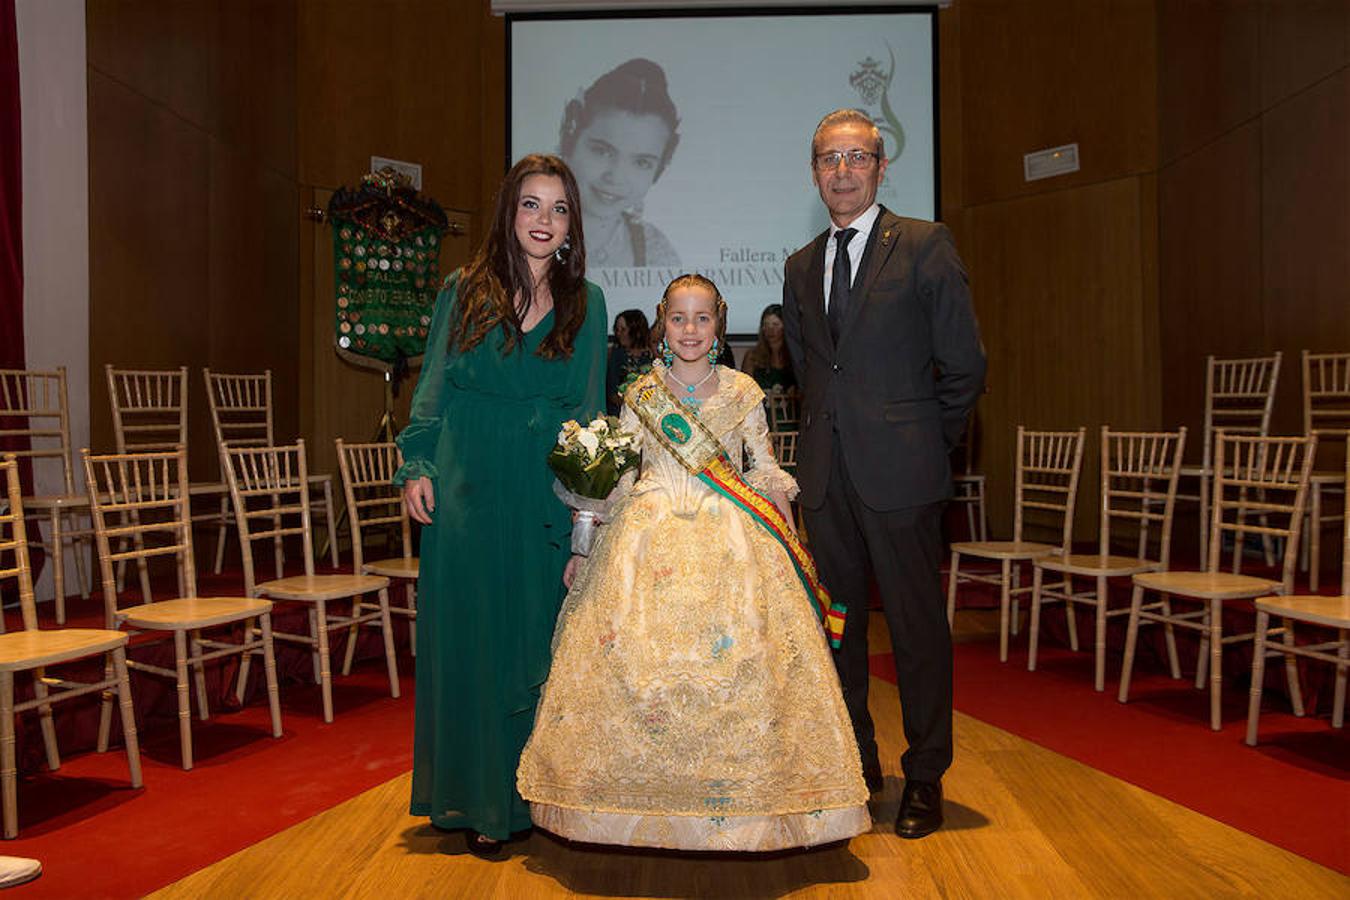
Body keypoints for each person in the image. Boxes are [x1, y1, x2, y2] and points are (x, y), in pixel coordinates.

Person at [517, 274, 869, 852]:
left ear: (719, 325)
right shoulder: (641, 393)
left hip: (732, 538)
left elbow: (762, 470)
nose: (689, 329)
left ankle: (747, 806)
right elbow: (618, 476)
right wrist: (584, 544)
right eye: (678, 318)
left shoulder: (742, 391)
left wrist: (793, 541)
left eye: (701, 318)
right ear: (663, 324)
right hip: (644, 535)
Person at [395, 154, 607, 859]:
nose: (544, 221)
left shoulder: (589, 301)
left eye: (559, 209)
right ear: (507, 213)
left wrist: (586, 523)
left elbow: (589, 415)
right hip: (464, 484)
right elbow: (432, 388)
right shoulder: (463, 289)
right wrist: (417, 462)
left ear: (573, 223)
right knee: (470, 641)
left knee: (529, 640)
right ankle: (466, 795)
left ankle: (521, 802)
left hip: (541, 492)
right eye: (530, 205)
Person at [782, 109, 986, 840]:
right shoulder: (800, 264)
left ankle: (925, 776)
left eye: (856, 157)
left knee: (917, 634)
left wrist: (926, 447)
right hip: (829, 483)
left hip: (904, 483)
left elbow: (965, 367)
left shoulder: (926, 246)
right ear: (814, 174)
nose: (842, 171)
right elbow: (813, 372)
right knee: (838, 631)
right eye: (828, 160)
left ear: (880, 166)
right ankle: (858, 765)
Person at [559, 58, 681, 267]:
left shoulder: (657, 253)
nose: (616, 176)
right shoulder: (525, 234)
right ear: (570, 139)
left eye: (641, 162)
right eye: (602, 151)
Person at [604, 308, 653, 415]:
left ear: (636, 331)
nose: (618, 333)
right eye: (616, 329)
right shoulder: (616, 354)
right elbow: (612, 392)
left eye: (623, 329)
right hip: (621, 414)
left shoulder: (651, 355)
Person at [741, 303, 797, 394]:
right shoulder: (752, 356)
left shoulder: (794, 356)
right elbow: (745, 391)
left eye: (775, 324)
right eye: (766, 324)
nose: (770, 329)